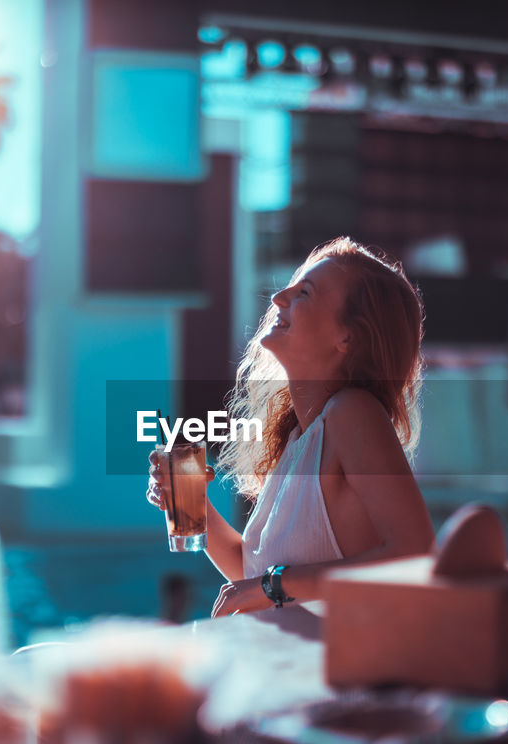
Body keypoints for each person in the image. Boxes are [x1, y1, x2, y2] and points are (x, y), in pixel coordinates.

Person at [147, 237, 436, 616]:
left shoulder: (352, 412)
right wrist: (195, 507)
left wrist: (273, 586)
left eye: (305, 292)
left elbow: (415, 556)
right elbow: (254, 576)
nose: (278, 297)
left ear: (347, 336)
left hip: (336, 670)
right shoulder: (301, 438)